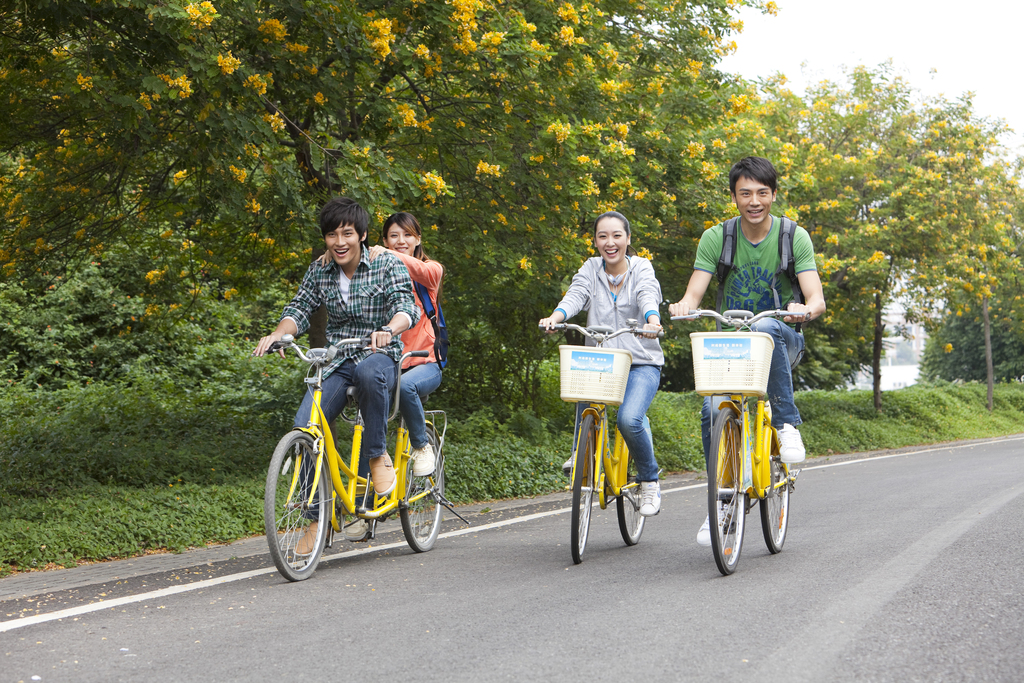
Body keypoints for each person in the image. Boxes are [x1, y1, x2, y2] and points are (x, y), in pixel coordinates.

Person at [667, 156, 826, 546]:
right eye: (745, 193)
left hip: (781, 340)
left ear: (773, 194)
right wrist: (684, 305)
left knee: (766, 326)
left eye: (762, 193)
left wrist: (804, 308)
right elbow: (694, 291)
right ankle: (722, 500)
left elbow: (816, 297)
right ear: (734, 197)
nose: (754, 201)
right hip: (731, 348)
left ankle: (786, 424)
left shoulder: (793, 236)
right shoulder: (717, 238)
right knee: (711, 410)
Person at [253, 197, 419, 551]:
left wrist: (389, 329)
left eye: (347, 233)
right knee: (303, 427)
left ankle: (376, 456)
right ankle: (317, 521)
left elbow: (407, 307)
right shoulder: (320, 269)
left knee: (371, 374)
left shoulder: (386, 263)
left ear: (361, 234)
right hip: (337, 359)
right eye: (332, 235)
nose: (339, 242)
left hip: (378, 352)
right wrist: (281, 334)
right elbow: (298, 307)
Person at [539, 211, 665, 517]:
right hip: (602, 361)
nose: (610, 243)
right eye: (603, 236)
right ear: (596, 241)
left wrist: (652, 320)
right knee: (581, 378)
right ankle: (580, 452)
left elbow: (648, 296)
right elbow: (576, 295)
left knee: (629, 419)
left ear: (628, 239)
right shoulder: (591, 268)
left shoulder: (642, 268)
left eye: (617, 236)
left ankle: (649, 480)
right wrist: (556, 318)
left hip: (641, 362)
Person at [368, 212, 444, 476]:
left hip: (426, 362)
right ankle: (369, 485)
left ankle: (422, 446)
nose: (401, 240)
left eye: (407, 235)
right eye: (393, 236)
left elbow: (423, 271)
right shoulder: (378, 271)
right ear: (385, 240)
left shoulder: (431, 270)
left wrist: (387, 254)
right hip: (391, 361)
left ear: (418, 239)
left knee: (407, 385)